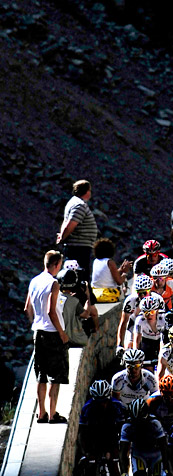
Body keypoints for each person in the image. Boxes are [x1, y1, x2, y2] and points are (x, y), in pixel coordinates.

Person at [24, 250, 70, 424]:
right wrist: (62, 333)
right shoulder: (54, 284)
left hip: (38, 332)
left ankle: (41, 413)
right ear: (57, 264)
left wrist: (35, 323)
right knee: (55, 376)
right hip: (53, 334)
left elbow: (27, 308)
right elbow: (52, 311)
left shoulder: (34, 281)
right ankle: (52, 414)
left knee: (40, 375)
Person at [56, 180, 99, 274]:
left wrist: (62, 236)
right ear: (87, 191)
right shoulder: (79, 205)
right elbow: (71, 224)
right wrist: (62, 237)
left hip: (79, 246)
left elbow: (66, 221)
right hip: (78, 247)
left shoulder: (73, 202)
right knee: (80, 276)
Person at [90, 238, 132, 303]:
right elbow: (119, 282)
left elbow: (108, 275)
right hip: (109, 294)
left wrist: (120, 269)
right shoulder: (110, 262)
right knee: (123, 288)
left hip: (95, 293)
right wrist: (124, 272)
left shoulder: (95, 261)